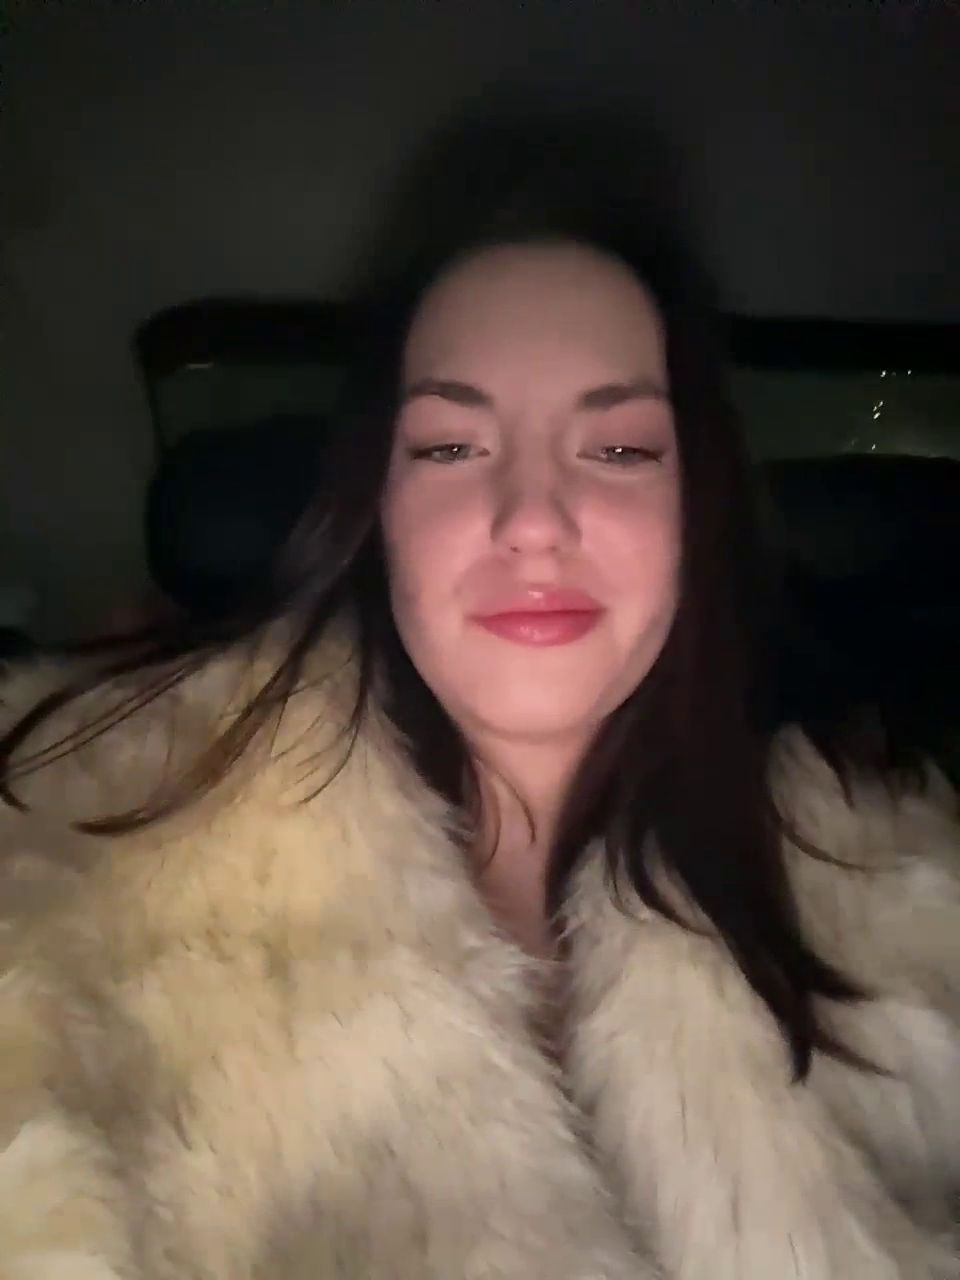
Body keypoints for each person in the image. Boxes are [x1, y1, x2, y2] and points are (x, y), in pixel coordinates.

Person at [1, 213, 958, 1280]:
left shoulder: (916, 898)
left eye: (620, 448)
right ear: (379, 509)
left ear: (697, 513)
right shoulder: (66, 877)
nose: (532, 519)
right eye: (450, 447)